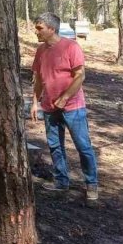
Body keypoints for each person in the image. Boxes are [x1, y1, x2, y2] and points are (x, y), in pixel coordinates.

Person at [30, 12, 99, 201]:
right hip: (49, 107)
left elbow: (80, 76)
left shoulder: (71, 47)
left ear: (52, 29)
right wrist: (35, 103)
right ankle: (61, 181)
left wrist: (65, 97)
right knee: (55, 146)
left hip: (73, 107)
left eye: (39, 28)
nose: (36, 32)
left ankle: (91, 185)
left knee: (83, 146)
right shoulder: (41, 51)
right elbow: (38, 80)